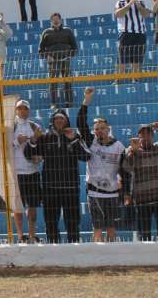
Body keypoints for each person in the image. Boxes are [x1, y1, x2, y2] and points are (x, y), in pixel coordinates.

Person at [23, 109, 90, 244]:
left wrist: (73, 140)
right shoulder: (45, 137)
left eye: (62, 118)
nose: (59, 121)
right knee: (51, 222)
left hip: (70, 187)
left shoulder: (74, 135)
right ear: (52, 121)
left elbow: (86, 156)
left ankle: (74, 249)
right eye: (56, 118)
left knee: (72, 222)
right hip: (50, 188)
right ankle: (53, 249)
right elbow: (28, 154)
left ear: (66, 121)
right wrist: (34, 139)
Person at [76, 88, 124, 242]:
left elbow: (125, 171)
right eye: (96, 129)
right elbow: (80, 123)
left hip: (113, 192)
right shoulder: (91, 141)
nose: (99, 131)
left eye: (102, 128)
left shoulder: (119, 146)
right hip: (94, 191)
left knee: (111, 227)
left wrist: (124, 190)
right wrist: (86, 100)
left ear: (108, 129)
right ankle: (96, 260)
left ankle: (114, 260)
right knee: (97, 228)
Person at [12, 99, 45, 243]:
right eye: (20, 108)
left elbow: (42, 149)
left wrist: (40, 158)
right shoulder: (10, 127)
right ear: (16, 110)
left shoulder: (35, 126)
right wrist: (16, 142)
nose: (22, 111)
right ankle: (20, 236)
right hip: (16, 173)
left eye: (25, 108)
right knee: (18, 207)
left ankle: (32, 235)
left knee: (32, 206)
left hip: (32, 172)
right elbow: (2, 148)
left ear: (29, 110)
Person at [124, 125, 158, 241]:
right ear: (138, 137)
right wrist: (133, 151)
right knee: (144, 236)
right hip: (141, 200)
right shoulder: (131, 150)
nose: (145, 137)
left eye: (148, 134)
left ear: (153, 136)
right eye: (142, 134)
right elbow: (127, 168)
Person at [39, 13, 78, 108]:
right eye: (53, 19)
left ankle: (69, 103)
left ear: (61, 20)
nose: (56, 21)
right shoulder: (46, 32)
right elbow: (41, 49)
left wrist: (69, 55)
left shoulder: (68, 31)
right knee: (53, 82)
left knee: (67, 81)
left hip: (65, 60)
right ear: (51, 21)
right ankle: (53, 104)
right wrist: (47, 56)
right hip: (53, 61)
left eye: (57, 19)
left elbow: (74, 47)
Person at [114, 0, 151, 78]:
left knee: (137, 59)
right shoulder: (120, 2)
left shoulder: (141, 3)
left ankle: (136, 79)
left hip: (140, 33)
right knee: (122, 59)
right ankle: (118, 80)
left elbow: (146, 15)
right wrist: (130, 4)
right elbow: (118, 14)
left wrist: (138, 5)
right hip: (126, 33)